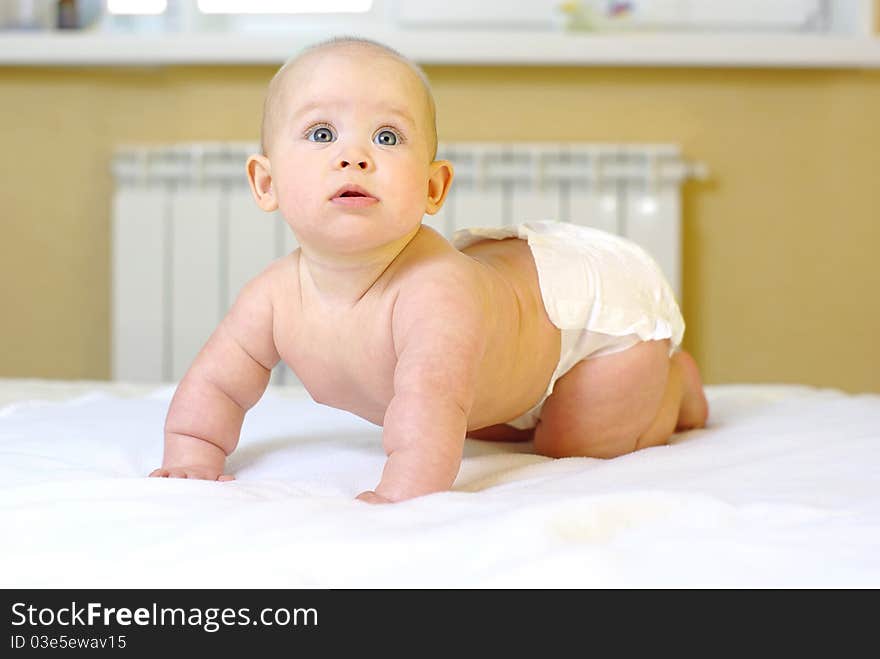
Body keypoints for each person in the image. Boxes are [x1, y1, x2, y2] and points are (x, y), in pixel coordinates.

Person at [149, 36, 708, 503]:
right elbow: (217, 385)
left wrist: (401, 495)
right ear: (265, 183)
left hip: (585, 323)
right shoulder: (271, 297)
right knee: (480, 413)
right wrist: (193, 454)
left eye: (387, 137)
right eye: (322, 133)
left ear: (432, 187)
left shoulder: (433, 291)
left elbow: (429, 411)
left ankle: (673, 383)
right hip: (506, 349)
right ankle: (542, 396)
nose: (354, 155)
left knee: (573, 440)